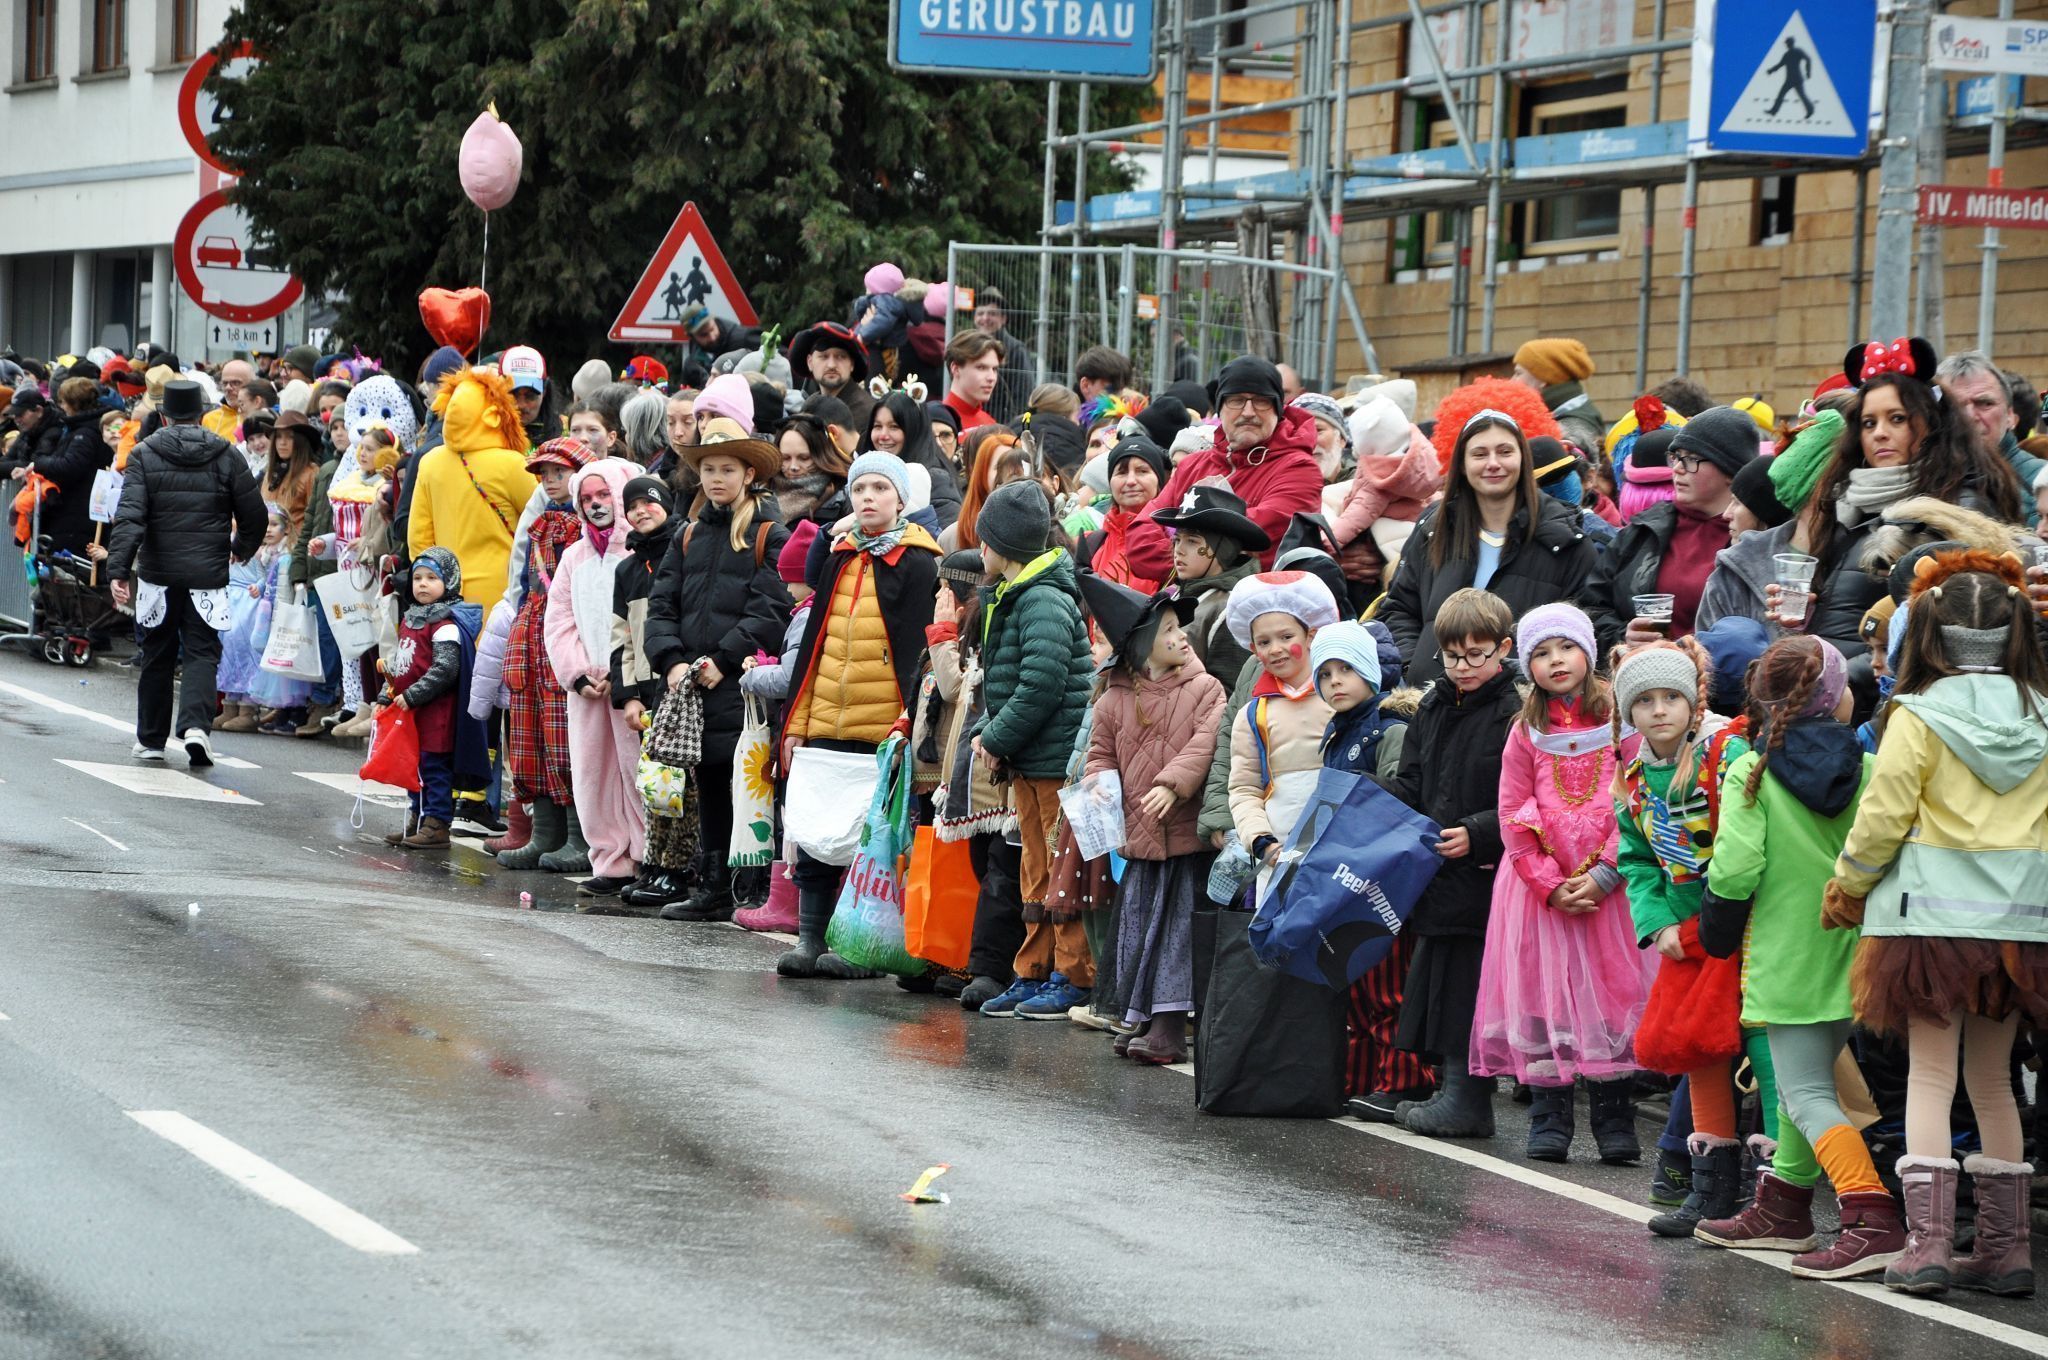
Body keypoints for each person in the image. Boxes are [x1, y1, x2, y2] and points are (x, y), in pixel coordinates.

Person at [1829, 552, 2048, 1298]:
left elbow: (1883, 816)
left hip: (1930, 923)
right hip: (2023, 929)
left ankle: (1926, 1247)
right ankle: (2007, 1252)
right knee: (1995, 1081)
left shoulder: (1917, 716)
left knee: (1930, 1076)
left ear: (1930, 633)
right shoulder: (2046, 716)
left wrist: (1849, 885)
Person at [1691, 637, 1900, 1278]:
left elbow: (1735, 868)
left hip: (1787, 950)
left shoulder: (1752, 769)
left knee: (1807, 1090)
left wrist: (1715, 930)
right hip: (1860, 944)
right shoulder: (1868, 767)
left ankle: (1871, 1217)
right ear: (1837, 699)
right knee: (1802, 1079)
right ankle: (1784, 1207)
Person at [1704, 340, 2024, 717]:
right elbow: (1851, 615)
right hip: (1833, 701)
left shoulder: (1953, 512)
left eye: (1897, 419)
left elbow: (1934, 637)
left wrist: (1825, 679)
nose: (1880, 434)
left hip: (1889, 711)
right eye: (1870, 422)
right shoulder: (1849, 505)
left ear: (1931, 425)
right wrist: (1807, 614)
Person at [1468, 604, 1649, 1164]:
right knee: (1543, 998)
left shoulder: (1623, 723)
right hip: (1538, 893)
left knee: (1609, 995)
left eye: (1564, 649)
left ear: (1588, 653)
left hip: (1608, 889)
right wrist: (1546, 881)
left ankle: (1614, 1118)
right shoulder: (1526, 731)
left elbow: (1639, 799)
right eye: (1541, 654)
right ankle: (1550, 1117)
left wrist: (1604, 873)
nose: (1555, 662)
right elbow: (1511, 808)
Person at [1611, 640, 1768, 1236]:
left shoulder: (1726, 754)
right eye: (1644, 701)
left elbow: (1745, 842)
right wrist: (1656, 926)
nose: (1658, 710)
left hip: (1742, 928)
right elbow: (1637, 860)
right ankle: (1710, 1194)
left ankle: (1770, 1196)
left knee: (1763, 1055)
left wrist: (1722, 917)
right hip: (1684, 935)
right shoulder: (1631, 776)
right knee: (1697, 1049)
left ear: (1692, 702)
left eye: (1671, 697)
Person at [775, 452, 941, 974]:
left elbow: (918, 653)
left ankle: (862, 946)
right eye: (860, 488)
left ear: (901, 500)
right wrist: (799, 722)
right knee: (818, 833)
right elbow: (814, 650)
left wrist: (907, 722)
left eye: (880, 489)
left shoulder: (917, 563)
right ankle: (809, 938)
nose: (868, 498)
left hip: (879, 729)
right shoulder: (838, 557)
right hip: (826, 720)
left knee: (872, 841)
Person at [1378, 588, 1521, 1140]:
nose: (1463, 667)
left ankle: (1468, 1098)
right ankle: (1449, 1087)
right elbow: (1414, 782)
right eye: (1452, 656)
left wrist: (1480, 834)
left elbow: (1523, 797)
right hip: (1438, 868)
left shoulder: (1514, 711)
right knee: (1437, 978)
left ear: (1504, 648)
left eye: (1477, 655)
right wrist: (1369, 793)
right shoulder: (1434, 705)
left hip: (1486, 873)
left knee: (1466, 986)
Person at [645, 417, 791, 923]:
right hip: (692, 682)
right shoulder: (687, 536)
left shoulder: (770, 534)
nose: (716, 478)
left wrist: (724, 659)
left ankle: (748, 883)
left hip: (742, 684)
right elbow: (660, 603)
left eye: (727, 468)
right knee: (706, 780)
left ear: (749, 474)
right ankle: (710, 884)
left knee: (746, 782)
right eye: (708, 468)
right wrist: (671, 660)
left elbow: (770, 606)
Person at [1080, 574, 1226, 1064]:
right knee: (1141, 928)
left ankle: (1168, 1027)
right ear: (1143, 645)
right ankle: (1140, 1015)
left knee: (1177, 931)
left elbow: (1207, 742)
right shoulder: (1112, 699)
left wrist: (1172, 782)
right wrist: (1099, 782)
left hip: (1185, 838)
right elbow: (1099, 753)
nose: (1181, 635)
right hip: (1142, 840)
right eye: (1167, 630)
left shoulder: (1207, 688)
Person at [963, 482, 1097, 1015]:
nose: (981, 551)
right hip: (1030, 760)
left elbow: (1039, 685)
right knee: (1035, 870)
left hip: (1052, 761)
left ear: (1005, 546)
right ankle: (1034, 969)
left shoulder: (1042, 597)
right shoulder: (1017, 593)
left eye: (986, 541)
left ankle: (1074, 975)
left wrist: (995, 738)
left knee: (1063, 871)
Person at [106, 379, 266, 765]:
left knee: (157, 652)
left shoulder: (144, 453)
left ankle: (151, 740)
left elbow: (130, 515)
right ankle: (196, 726)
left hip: (158, 573)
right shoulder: (227, 454)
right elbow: (255, 516)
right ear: (203, 414)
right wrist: (240, 550)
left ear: (163, 415)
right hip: (208, 573)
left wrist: (117, 567)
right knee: (201, 652)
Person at [1378, 408, 1597, 688]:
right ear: (1462, 464)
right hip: (1434, 703)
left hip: (1520, 712)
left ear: (1523, 459)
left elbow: (1586, 626)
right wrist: (1414, 666)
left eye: (1505, 452)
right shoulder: (1435, 528)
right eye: (1479, 454)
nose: (1493, 463)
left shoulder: (1564, 539)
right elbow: (1398, 609)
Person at [1311, 621, 1429, 1120]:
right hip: (1347, 873)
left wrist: (1358, 790)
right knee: (1355, 983)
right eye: (1326, 673)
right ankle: (1360, 1078)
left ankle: (1405, 1080)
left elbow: (1403, 801)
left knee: (1388, 987)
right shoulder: (1337, 730)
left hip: (1384, 878)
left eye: (1347, 670)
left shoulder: (1390, 726)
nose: (1336, 681)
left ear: (1372, 672)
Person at [544, 458, 646, 898]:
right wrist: (578, 673)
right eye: (586, 499)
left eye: (604, 495)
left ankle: (649, 855)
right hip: (588, 690)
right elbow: (559, 620)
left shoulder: (639, 553)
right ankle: (610, 858)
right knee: (594, 772)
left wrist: (623, 672)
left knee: (637, 770)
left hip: (633, 686)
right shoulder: (575, 557)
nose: (595, 505)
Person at [1124, 357, 1323, 582]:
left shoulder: (1299, 469)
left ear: (1278, 409)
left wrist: (1189, 563)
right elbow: (1140, 539)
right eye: (1236, 400)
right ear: (1220, 407)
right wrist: (1192, 563)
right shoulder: (1192, 465)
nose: (1248, 412)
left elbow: (1262, 541)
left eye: (1261, 401)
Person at [496, 438, 594, 873]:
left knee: (564, 737)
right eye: (544, 474)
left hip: (567, 633)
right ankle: (544, 834)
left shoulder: (590, 523)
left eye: (560, 472)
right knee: (529, 733)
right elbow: (524, 582)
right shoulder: (541, 520)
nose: (551, 481)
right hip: (534, 628)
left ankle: (579, 838)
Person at [1584, 405, 1756, 654]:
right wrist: (1623, 636)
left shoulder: (1761, 536)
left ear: (1730, 471)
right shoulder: (1643, 530)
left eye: (1692, 459)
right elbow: (1592, 608)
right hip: (1648, 678)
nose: (1677, 468)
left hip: (1726, 684)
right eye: (1675, 456)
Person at [1220, 571, 1343, 912]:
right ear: (1252, 648)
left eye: (1285, 636)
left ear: (1311, 634)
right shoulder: (1252, 714)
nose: (1275, 649)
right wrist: (1262, 842)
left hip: (1340, 850)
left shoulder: (1341, 700)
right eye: (1263, 642)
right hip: (1279, 855)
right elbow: (1244, 789)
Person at [374, 548, 480, 848]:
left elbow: (445, 669)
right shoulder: (412, 618)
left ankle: (436, 824)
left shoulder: (445, 625)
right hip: (410, 711)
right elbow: (398, 664)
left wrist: (414, 694)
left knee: (433, 768)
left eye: (432, 578)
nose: (422, 584)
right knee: (414, 765)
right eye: (418, 577)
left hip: (436, 714)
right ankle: (417, 818)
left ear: (450, 581)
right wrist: (386, 696)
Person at [407, 366, 538, 606]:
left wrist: (430, 583)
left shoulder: (430, 463)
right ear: (494, 414)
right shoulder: (512, 464)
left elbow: (419, 539)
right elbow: (539, 523)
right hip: (502, 592)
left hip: (445, 592)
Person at [1149, 483, 1270, 687]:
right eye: (1177, 540)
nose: (1179, 550)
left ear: (1224, 549)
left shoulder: (1231, 609)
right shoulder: (1174, 595)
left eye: (1193, 541)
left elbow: (1229, 691)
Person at [1328, 394, 1442, 596]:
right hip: (1418, 532)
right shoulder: (1423, 455)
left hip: (1386, 557)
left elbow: (1354, 519)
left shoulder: (1380, 480)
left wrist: (1325, 545)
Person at [1935, 350, 2048, 524]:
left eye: (1985, 404)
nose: (1970, 416)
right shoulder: (1921, 479)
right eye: (1955, 406)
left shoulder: (2040, 479)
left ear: (2010, 416)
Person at [1074, 434, 1169, 592]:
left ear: (1159, 481)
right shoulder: (1087, 544)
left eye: (1142, 471)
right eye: (1122, 472)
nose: (1130, 481)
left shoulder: (1175, 545)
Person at [38, 376, 116, 556]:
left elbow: (70, 466)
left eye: (64, 402)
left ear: (74, 403)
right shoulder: (88, 428)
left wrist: (40, 462)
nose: (61, 407)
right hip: (82, 510)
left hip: (77, 512)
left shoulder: (85, 434)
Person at [863, 388, 962, 529]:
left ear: (914, 430)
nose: (883, 435)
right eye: (877, 426)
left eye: (894, 427)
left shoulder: (937, 480)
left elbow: (943, 541)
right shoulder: (863, 475)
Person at [1512, 337, 1605, 455]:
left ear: (1544, 378)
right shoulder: (1561, 412)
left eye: (1518, 373)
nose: (1512, 381)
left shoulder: (1573, 427)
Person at [788, 321, 875, 433]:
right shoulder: (810, 405)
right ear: (810, 363)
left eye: (840, 357)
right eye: (824, 357)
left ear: (852, 364)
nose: (831, 365)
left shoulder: (865, 411)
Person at [772, 411, 850, 525]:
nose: (793, 467)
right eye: (786, 458)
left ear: (822, 456)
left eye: (804, 458)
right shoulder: (762, 494)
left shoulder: (844, 497)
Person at [971, 289, 1035, 424]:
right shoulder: (969, 347)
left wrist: (1015, 425)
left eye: (992, 314)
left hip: (1003, 424)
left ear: (1003, 319)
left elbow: (1024, 393)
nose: (985, 318)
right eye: (980, 313)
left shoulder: (1016, 350)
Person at [942, 331, 1002, 434]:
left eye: (994, 369)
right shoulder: (936, 423)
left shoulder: (991, 425)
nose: (991, 377)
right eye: (981, 367)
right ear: (956, 369)